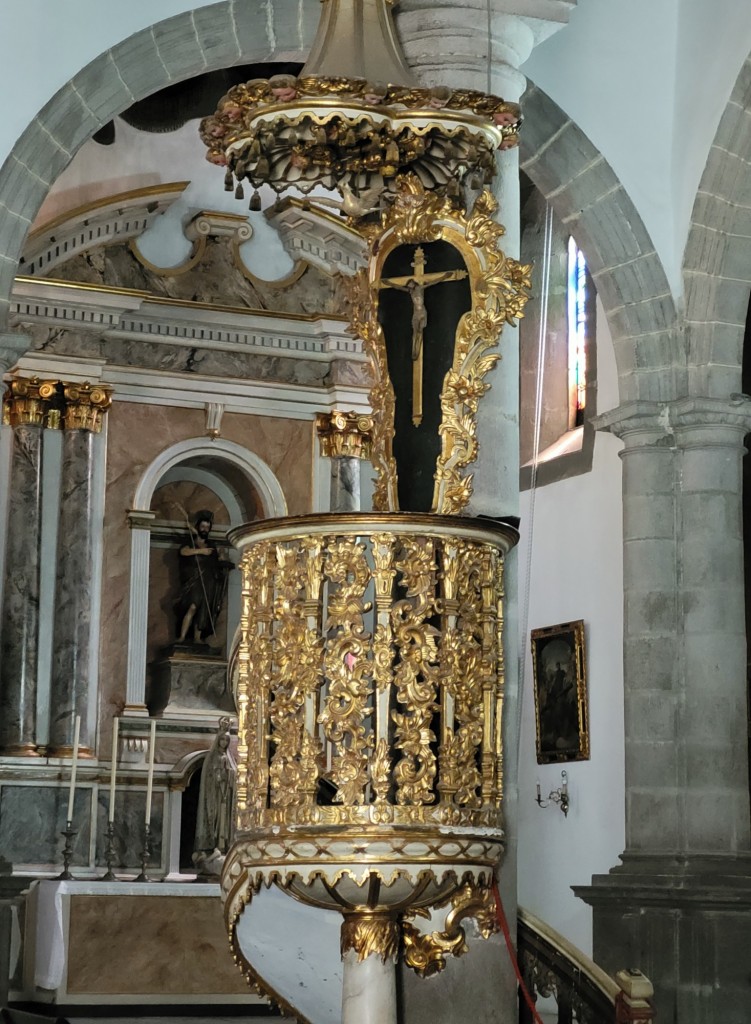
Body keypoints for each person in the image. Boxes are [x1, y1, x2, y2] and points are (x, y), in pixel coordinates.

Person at [177, 509, 229, 644]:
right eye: (203, 526)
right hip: (194, 581)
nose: (205, 529)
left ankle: (197, 638)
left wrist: (222, 558)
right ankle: (182, 636)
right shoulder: (191, 542)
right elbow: (184, 552)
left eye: (207, 527)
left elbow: (218, 561)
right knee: (192, 606)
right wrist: (201, 551)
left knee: (203, 610)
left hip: (208, 581)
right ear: (198, 527)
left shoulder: (211, 546)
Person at [193, 718, 236, 874]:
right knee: (215, 820)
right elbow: (209, 777)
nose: (224, 742)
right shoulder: (212, 758)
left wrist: (229, 774)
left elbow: (234, 775)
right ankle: (212, 848)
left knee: (224, 821)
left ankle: (224, 847)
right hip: (214, 796)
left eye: (227, 740)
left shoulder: (229, 758)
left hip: (225, 796)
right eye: (222, 739)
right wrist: (217, 776)